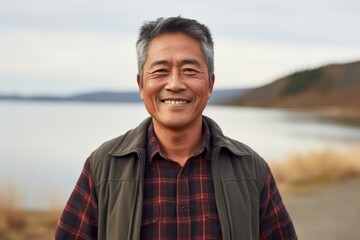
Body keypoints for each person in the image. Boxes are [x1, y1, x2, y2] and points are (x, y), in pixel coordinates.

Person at [54, 16, 297, 240]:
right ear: (141, 85)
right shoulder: (103, 166)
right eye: (160, 71)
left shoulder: (251, 169)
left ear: (210, 84)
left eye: (189, 70)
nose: (175, 84)